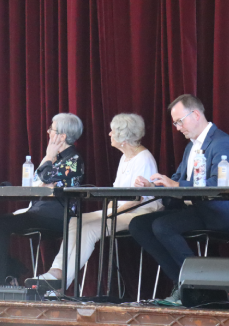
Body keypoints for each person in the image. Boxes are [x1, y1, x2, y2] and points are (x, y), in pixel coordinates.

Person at [128, 94, 229, 303]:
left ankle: (199, 283)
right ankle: (184, 283)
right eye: (175, 123)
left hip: (215, 212)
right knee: (138, 225)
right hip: (193, 210)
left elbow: (218, 182)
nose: (177, 127)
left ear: (195, 114)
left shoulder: (222, 142)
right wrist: (154, 185)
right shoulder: (192, 145)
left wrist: (177, 185)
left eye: (179, 121)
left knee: (163, 226)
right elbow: (178, 178)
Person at [33, 113, 163, 289]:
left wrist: (110, 214)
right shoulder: (125, 157)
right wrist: (108, 210)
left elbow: (138, 200)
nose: (109, 134)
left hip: (139, 212)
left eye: (112, 131)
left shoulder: (143, 159)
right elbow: (116, 193)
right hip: (121, 209)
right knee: (75, 221)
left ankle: (60, 285)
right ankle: (56, 271)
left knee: (92, 229)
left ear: (123, 137)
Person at [0, 113, 86, 298]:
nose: (49, 132)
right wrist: (48, 163)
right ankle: (11, 272)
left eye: (52, 129)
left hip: (55, 216)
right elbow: (36, 182)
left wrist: (48, 158)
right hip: (38, 211)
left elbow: (46, 178)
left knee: (2, 225)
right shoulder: (54, 158)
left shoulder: (73, 160)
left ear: (62, 136)